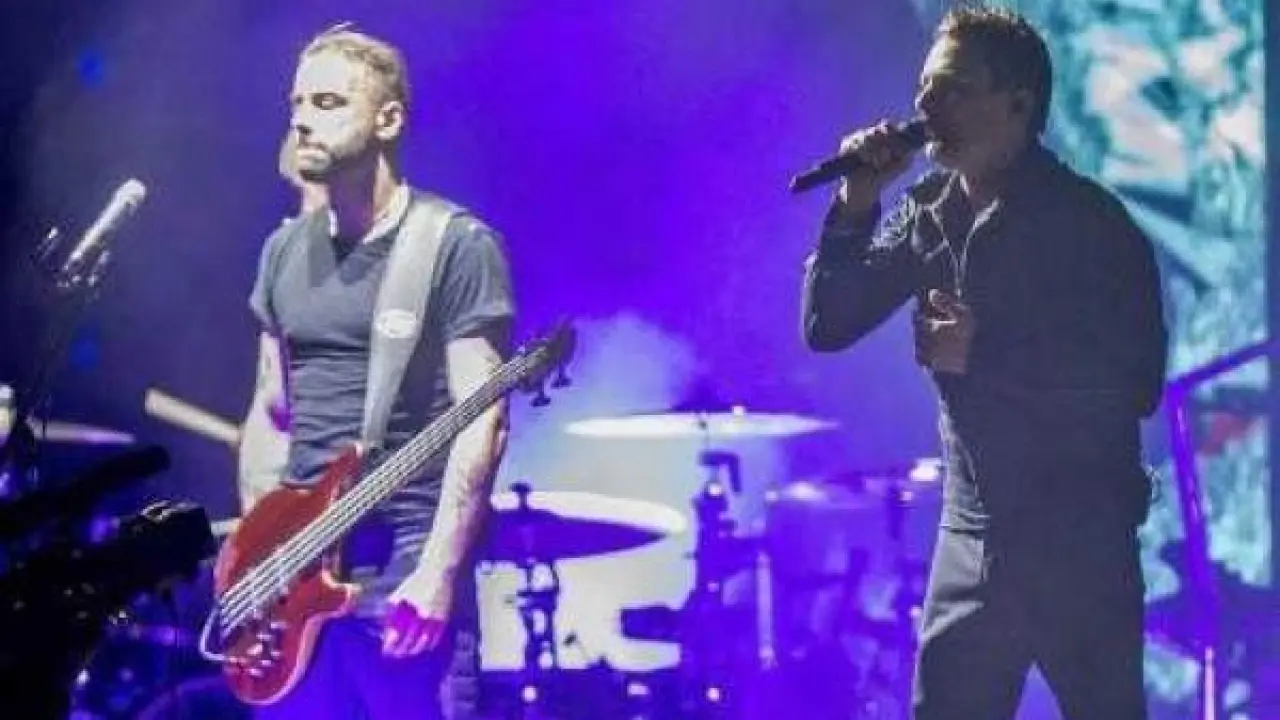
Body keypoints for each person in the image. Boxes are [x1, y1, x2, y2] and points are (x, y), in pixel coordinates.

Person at [801, 8, 1167, 719]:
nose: (926, 106)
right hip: (971, 539)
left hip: (1079, 544)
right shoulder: (929, 212)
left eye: (954, 89)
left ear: (1019, 104)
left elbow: (1136, 384)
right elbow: (828, 326)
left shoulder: (1091, 225)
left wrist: (986, 352)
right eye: (924, 88)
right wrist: (856, 202)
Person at [236, 24, 515, 720]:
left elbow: (484, 419)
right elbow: (271, 411)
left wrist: (439, 569)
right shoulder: (281, 253)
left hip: (400, 575)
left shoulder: (454, 245)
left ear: (388, 120)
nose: (303, 119)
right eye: (297, 103)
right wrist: (259, 562)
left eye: (328, 102)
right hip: (294, 587)